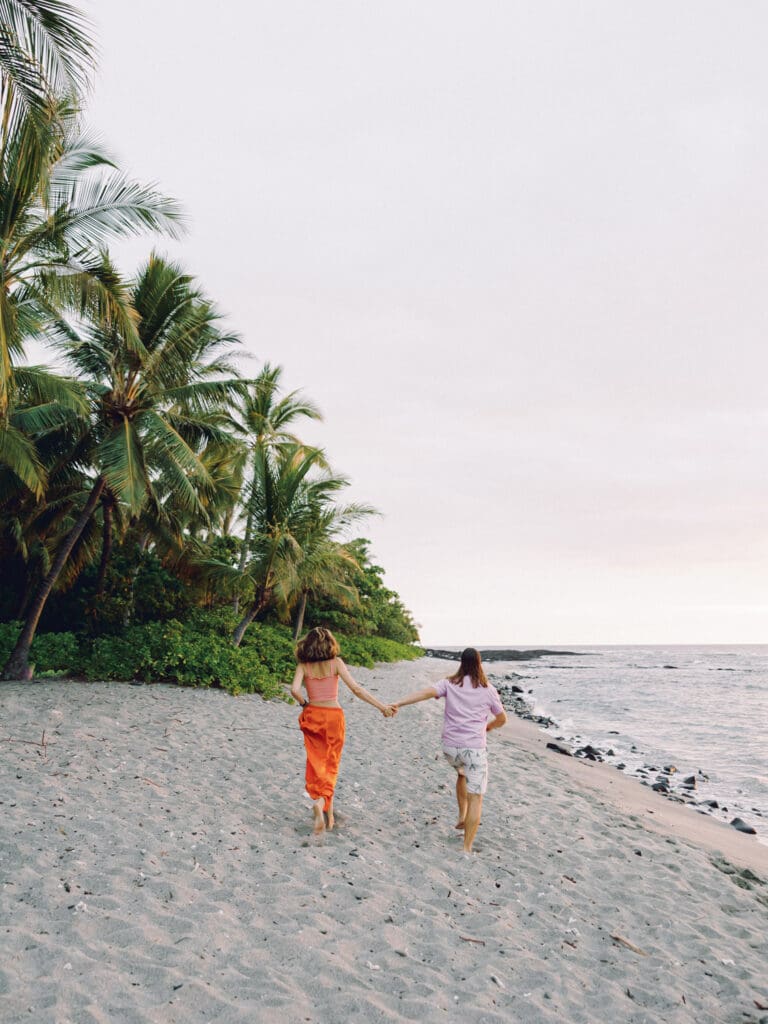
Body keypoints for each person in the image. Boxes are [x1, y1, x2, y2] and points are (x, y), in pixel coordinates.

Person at [393, 648, 507, 854]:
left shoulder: (449, 684)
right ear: (479, 664)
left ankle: (461, 817)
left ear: (461, 663)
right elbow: (502, 719)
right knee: (476, 797)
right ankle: (467, 847)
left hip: (450, 749)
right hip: (473, 749)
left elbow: (425, 693)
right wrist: (488, 727)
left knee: (462, 772)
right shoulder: (488, 689)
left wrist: (399, 702)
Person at [290, 626, 396, 835]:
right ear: (330, 644)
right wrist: (381, 706)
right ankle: (321, 805)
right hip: (333, 717)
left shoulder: (304, 666)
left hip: (313, 716)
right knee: (332, 763)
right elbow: (356, 689)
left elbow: (294, 690)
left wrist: (304, 704)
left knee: (317, 762)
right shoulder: (336, 663)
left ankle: (328, 817)